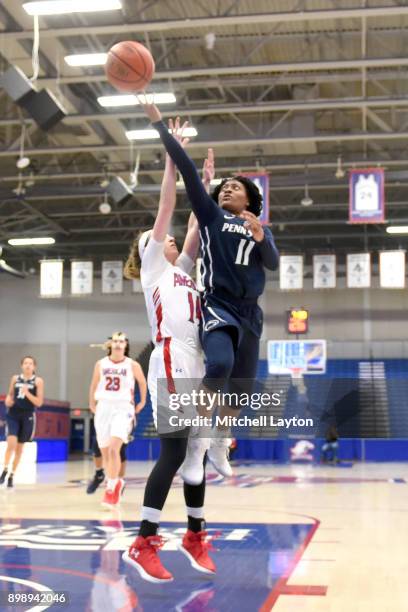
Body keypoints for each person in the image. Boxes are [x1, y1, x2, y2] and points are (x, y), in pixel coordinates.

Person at [140, 102, 280, 485]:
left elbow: (272, 263)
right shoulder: (212, 217)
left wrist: (259, 236)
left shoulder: (259, 229)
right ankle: (198, 448)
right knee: (218, 365)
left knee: (241, 389)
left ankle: (220, 442)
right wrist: (160, 128)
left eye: (235, 187)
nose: (227, 189)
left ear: (249, 200)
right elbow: (184, 171)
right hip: (217, 306)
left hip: (250, 313)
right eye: (224, 187)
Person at [122, 119, 216, 583]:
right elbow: (169, 204)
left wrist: (207, 182)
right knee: (175, 452)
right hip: (172, 360)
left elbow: (196, 219)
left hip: (195, 361)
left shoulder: (185, 271)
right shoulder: (156, 269)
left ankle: (195, 534)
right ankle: (143, 541)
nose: (171, 236)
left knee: (197, 451)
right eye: (160, 237)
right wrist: (172, 156)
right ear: (150, 251)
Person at [89, 332, 147, 508]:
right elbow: (93, 384)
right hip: (103, 407)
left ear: (125, 345)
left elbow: (142, 383)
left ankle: (111, 487)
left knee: (115, 449)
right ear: (110, 344)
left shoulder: (132, 364)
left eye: (121, 341)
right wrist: (92, 404)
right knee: (106, 452)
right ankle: (116, 482)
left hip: (123, 407)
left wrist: (142, 402)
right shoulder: (100, 364)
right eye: (115, 341)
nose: (118, 344)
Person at [0, 356, 44, 488]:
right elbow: (10, 394)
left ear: (34, 367)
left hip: (27, 416)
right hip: (13, 414)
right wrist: (8, 400)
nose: (28, 365)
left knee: (19, 448)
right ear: (22, 365)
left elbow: (39, 402)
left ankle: (12, 474)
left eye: (30, 363)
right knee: (11, 443)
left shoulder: (38, 381)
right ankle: (5, 469)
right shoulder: (15, 378)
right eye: (25, 363)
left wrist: (27, 393)